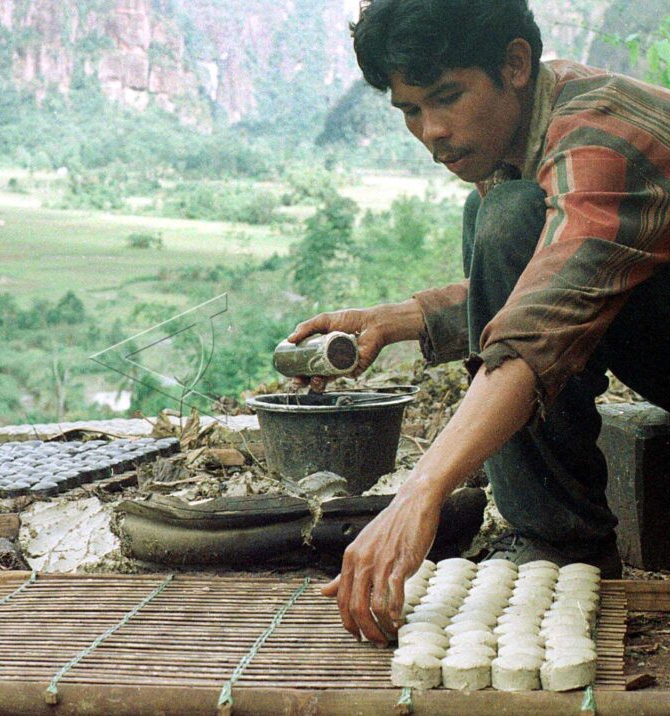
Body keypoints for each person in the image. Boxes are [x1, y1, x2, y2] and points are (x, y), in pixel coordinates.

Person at [286, 0, 670, 646]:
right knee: (496, 214)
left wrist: (421, 491)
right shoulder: (539, 121)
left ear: (514, 64)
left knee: (506, 219)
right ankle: (550, 540)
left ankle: (560, 545)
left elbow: (542, 323)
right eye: (410, 111)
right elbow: (562, 271)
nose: (431, 130)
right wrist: (401, 320)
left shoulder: (596, 135)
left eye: (446, 97)